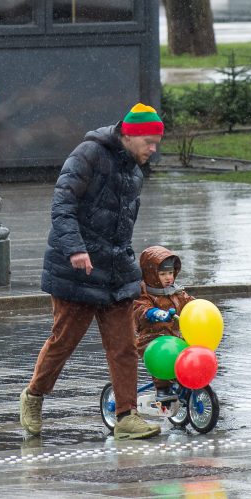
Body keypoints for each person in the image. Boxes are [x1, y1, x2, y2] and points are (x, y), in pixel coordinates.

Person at [19, 103, 165, 440]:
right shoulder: (89, 154)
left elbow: (123, 226)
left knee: (124, 346)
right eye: (150, 142)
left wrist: (128, 265)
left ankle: (126, 416)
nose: (154, 149)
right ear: (129, 135)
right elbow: (63, 205)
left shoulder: (135, 172)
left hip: (115, 271)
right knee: (64, 342)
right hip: (77, 271)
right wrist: (76, 249)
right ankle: (33, 396)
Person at [132, 246, 195, 400]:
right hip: (151, 338)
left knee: (190, 352)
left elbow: (189, 302)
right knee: (163, 354)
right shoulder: (144, 293)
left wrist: (200, 308)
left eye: (171, 273)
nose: (168, 278)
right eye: (162, 274)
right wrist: (155, 313)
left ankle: (188, 380)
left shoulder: (176, 292)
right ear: (152, 274)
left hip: (174, 336)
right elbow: (140, 309)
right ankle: (162, 387)